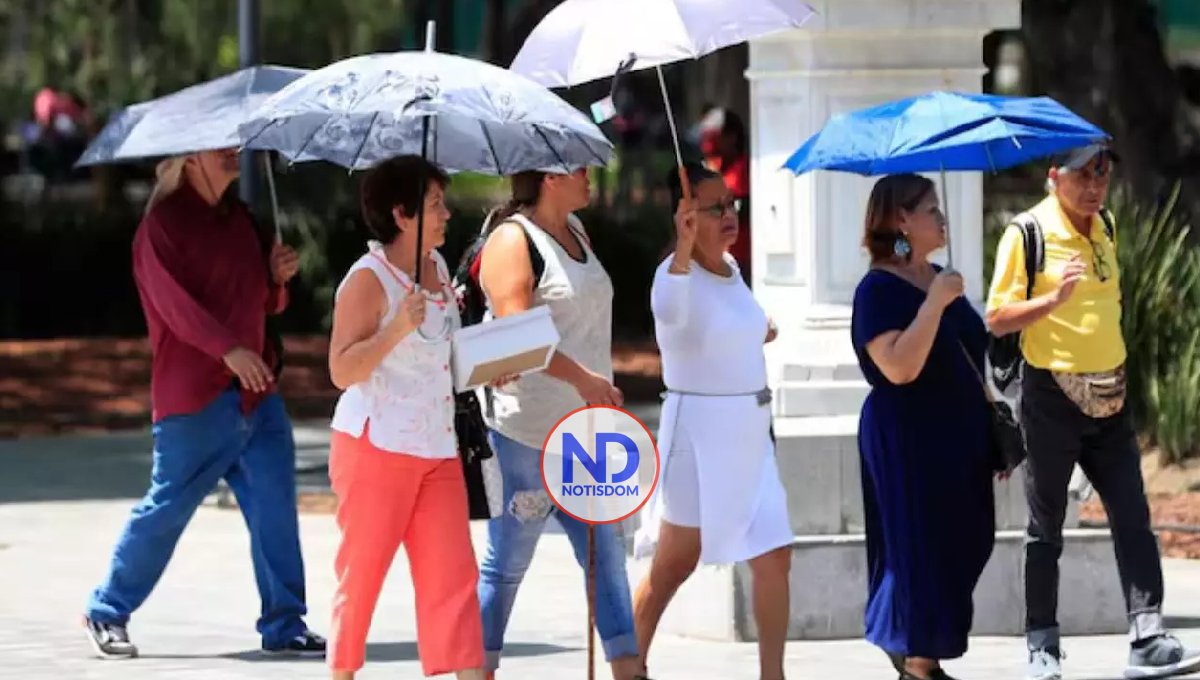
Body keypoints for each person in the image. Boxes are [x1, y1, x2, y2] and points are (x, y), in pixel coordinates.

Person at [82, 148, 325, 659]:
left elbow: (263, 302)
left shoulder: (241, 220)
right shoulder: (161, 227)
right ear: (191, 157)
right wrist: (227, 349)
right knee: (166, 510)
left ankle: (285, 624)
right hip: (195, 401)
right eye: (221, 147)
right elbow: (174, 307)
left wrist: (276, 278)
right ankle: (106, 609)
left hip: (257, 397)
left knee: (275, 511)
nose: (234, 153)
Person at [986, 144, 1200, 680]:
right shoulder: (1027, 233)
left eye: (1102, 175)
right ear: (1054, 176)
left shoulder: (1105, 225)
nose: (1095, 186)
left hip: (1111, 395)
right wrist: (1053, 300)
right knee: (1046, 526)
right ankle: (1042, 647)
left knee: (1132, 515)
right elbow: (997, 317)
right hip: (1050, 398)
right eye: (1083, 175)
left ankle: (1147, 638)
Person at [325, 155, 487, 680]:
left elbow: (444, 352)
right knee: (362, 577)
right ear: (401, 214)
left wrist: (492, 368)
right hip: (377, 448)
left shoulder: (437, 265)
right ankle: (341, 672)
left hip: (437, 447)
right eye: (435, 204)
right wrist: (396, 327)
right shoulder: (367, 280)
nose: (447, 213)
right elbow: (341, 370)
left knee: (454, 580)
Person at [475, 168, 641, 680]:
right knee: (507, 564)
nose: (590, 176)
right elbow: (516, 335)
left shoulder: (577, 232)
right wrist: (584, 380)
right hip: (525, 433)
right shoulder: (512, 239)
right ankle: (476, 670)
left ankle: (629, 671)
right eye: (580, 168)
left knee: (607, 557)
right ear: (549, 175)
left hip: (584, 432)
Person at [630, 163, 791, 680]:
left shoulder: (732, 269)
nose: (728, 214)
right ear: (685, 216)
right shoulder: (671, 275)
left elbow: (731, 325)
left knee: (774, 553)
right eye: (715, 206)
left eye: (731, 203)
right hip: (697, 437)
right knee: (674, 563)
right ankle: (629, 665)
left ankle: (773, 676)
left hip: (750, 435)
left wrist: (760, 329)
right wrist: (682, 247)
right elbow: (669, 312)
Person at [850, 174, 996, 680]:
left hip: (961, 437)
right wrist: (934, 302)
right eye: (931, 209)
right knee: (918, 547)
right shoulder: (878, 289)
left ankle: (916, 650)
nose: (942, 217)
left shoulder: (938, 276)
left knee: (969, 540)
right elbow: (899, 367)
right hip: (908, 439)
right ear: (901, 220)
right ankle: (918, 660)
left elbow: (975, 350)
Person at [695, 107, 751, 285]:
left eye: (714, 137)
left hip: (740, 259)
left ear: (731, 137)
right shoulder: (713, 168)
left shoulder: (743, 171)